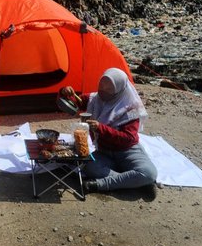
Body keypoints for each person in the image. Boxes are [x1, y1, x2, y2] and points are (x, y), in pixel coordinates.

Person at [60, 67, 158, 199]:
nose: (103, 91)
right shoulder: (94, 99)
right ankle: (137, 183)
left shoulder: (131, 107)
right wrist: (65, 93)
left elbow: (128, 139)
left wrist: (101, 128)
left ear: (119, 89)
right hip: (104, 151)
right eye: (101, 85)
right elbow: (71, 105)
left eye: (109, 89)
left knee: (148, 173)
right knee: (88, 166)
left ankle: (100, 185)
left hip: (127, 151)